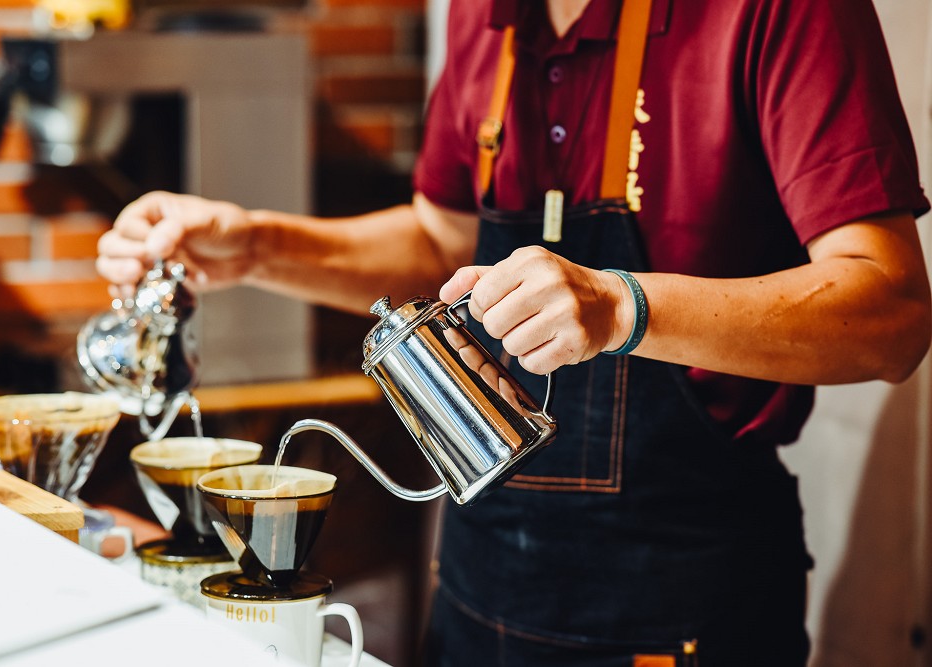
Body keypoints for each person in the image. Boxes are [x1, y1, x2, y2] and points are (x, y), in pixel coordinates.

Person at [96, 0, 931, 664]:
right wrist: (257, 245)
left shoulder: (778, 10)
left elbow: (891, 313)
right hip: (478, 589)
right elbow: (440, 243)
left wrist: (622, 307)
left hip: (679, 602)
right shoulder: (488, 16)